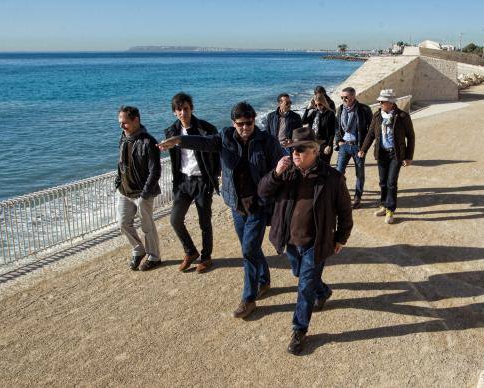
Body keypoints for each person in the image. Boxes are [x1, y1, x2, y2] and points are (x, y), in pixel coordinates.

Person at [158, 102, 283, 319]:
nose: (245, 128)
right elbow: (204, 142)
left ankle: (248, 298)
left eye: (249, 123)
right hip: (236, 204)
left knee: (248, 250)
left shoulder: (266, 141)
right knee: (250, 247)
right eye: (241, 124)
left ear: (254, 120)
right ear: (233, 123)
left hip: (258, 205)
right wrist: (178, 141)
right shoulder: (225, 137)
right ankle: (264, 280)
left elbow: (280, 165)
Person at [258, 127, 353, 355]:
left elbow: (345, 211)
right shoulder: (287, 172)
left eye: (300, 150)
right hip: (289, 240)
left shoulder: (332, 178)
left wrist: (341, 237)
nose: (295, 154)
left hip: (316, 242)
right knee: (300, 275)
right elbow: (262, 192)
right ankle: (323, 292)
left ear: (314, 151)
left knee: (304, 285)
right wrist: (275, 174)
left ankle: (299, 330)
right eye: (292, 150)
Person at [164, 92, 221, 273]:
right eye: (179, 110)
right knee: (175, 219)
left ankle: (206, 257)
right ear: (175, 112)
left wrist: (216, 176)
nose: (183, 113)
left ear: (192, 108)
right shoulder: (171, 132)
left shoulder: (206, 129)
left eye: (186, 109)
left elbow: (217, 153)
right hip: (183, 181)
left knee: (205, 221)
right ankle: (190, 252)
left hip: (202, 181)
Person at [357, 89, 415, 225]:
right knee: (383, 182)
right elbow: (371, 133)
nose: (379, 103)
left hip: (396, 154)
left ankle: (390, 210)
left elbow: (410, 137)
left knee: (391, 182)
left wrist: (408, 157)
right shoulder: (377, 115)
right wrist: (363, 149)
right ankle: (383, 205)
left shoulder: (402, 116)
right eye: (380, 101)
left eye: (382, 101)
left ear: (390, 103)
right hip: (381, 153)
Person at [115, 106, 162, 271]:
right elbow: (121, 162)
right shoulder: (123, 138)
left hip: (143, 193)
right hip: (124, 191)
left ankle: (154, 257)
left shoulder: (149, 142)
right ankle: (138, 250)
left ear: (136, 120)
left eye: (125, 123)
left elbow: (155, 171)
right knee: (122, 223)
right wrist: (118, 181)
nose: (121, 126)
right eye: (120, 122)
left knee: (147, 226)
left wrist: (144, 194)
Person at [334, 86, 372, 209]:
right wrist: (338, 140)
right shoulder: (340, 109)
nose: (344, 99)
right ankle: (342, 195)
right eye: (342, 97)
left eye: (346, 97)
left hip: (358, 147)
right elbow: (337, 127)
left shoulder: (364, 109)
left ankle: (357, 198)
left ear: (353, 96)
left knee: (359, 174)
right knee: (338, 173)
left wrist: (364, 148)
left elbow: (371, 131)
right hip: (344, 146)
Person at [301, 94, 337, 165]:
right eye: (316, 105)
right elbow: (303, 121)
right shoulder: (314, 112)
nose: (318, 107)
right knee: (313, 166)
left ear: (324, 103)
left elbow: (332, 132)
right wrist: (308, 108)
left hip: (324, 144)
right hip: (313, 144)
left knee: (324, 167)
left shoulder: (330, 114)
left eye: (320, 104)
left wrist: (329, 145)